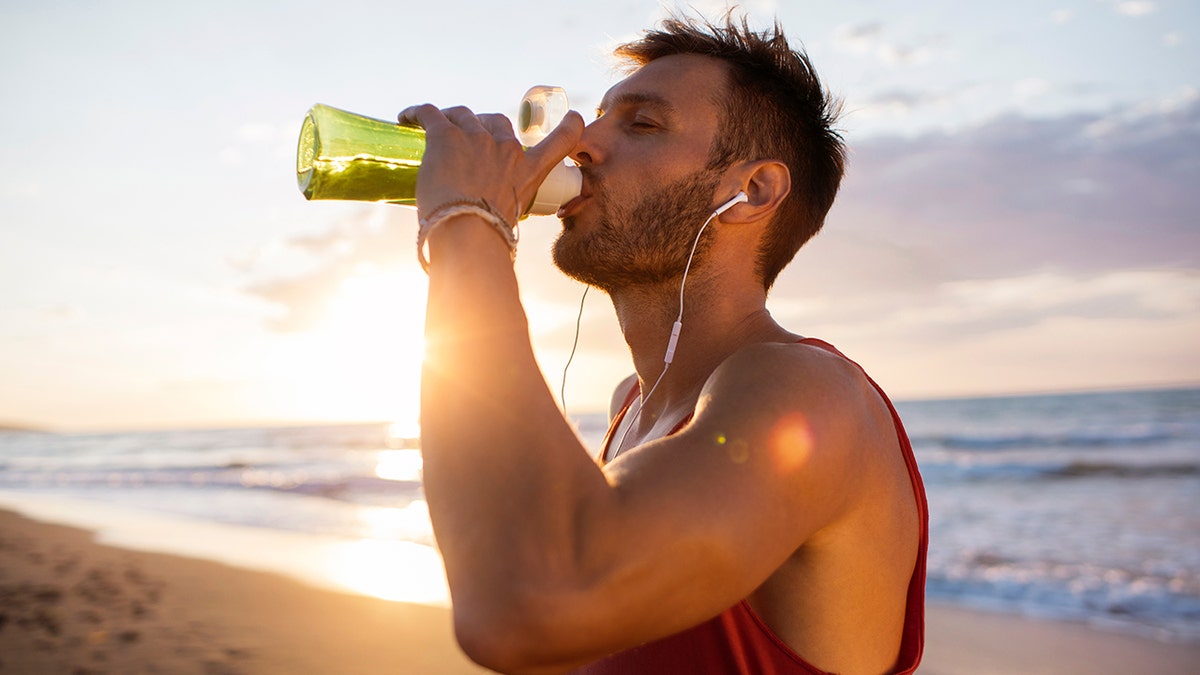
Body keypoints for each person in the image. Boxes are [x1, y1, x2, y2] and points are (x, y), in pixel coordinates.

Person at [399, 12, 927, 675]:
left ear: (752, 190)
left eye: (641, 124)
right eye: (593, 120)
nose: (579, 146)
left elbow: (531, 600)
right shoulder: (633, 407)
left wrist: (465, 222)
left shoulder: (810, 393)